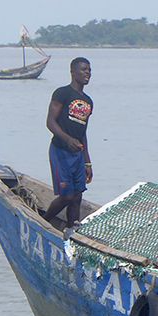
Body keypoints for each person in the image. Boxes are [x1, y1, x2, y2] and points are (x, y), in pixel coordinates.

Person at [41, 57, 94, 228]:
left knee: (77, 196)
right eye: (84, 69)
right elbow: (50, 122)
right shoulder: (62, 93)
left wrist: (87, 161)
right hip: (61, 151)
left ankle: (72, 231)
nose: (87, 73)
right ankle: (43, 221)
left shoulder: (88, 101)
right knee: (67, 196)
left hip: (77, 155)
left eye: (89, 70)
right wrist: (68, 139)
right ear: (73, 72)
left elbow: (83, 132)